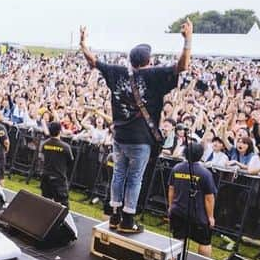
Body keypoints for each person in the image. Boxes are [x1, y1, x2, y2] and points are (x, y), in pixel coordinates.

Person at [79, 19, 192, 233]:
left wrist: (83, 44)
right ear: (148, 61)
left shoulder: (117, 71)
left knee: (119, 174)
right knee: (134, 178)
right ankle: (128, 219)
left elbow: (93, 61)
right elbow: (183, 66)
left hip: (119, 136)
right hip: (141, 139)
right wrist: (187, 41)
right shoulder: (154, 74)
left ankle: (114, 215)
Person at [167, 141, 217, 257]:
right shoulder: (205, 173)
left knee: (178, 241)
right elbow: (209, 198)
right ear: (201, 155)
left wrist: (171, 207)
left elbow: (171, 190)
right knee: (204, 242)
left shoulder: (176, 168)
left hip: (178, 211)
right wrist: (210, 217)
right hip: (198, 216)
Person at [39, 121, 74, 207]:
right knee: (64, 204)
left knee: (45, 202)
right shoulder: (65, 147)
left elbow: (41, 158)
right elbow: (71, 161)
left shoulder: (44, 144)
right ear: (60, 131)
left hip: (45, 176)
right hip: (59, 178)